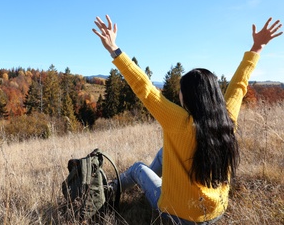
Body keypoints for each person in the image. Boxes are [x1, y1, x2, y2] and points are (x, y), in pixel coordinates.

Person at [92, 15, 282, 224]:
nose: (179, 95)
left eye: (181, 92)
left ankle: (110, 189)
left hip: (177, 215)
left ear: (189, 96)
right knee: (165, 153)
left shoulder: (178, 121)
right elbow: (239, 85)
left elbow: (144, 88)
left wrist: (114, 49)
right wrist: (256, 48)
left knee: (138, 168)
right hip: (216, 212)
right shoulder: (227, 118)